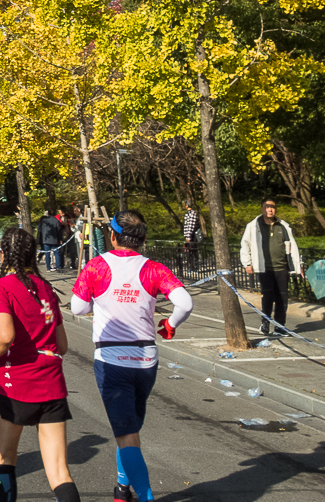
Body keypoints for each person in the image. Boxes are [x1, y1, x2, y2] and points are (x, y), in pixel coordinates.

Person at [71, 210, 193, 502]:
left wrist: (97, 306)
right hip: (146, 360)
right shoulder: (154, 269)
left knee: (125, 433)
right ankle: (122, 488)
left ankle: (146, 496)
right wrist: (170, 325)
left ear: (112, 236)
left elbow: (77, 308)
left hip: (112, 360)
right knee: (129, 427)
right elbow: (184, 302)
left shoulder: (96, 267)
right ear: (143, 239)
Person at [0, 228, 79, 502]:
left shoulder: (0, 287)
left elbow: (6, 336)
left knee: (6, 458)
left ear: (3, 254)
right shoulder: (46, 288)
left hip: (15, 384)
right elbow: (63, 345)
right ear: (33, 254)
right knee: (59, 472)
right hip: (52, 384)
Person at [239, 199, 304, 335]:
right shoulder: (254, 226)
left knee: (282, 298)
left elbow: (293, 247)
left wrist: (299, 265)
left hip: (282, 268)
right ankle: (265, 322)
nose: (270, 209)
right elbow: (245, 244)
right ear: (262, 209)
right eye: (267, 207)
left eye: (272, 207)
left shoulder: (283, 226)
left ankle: (280, 326)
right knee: (268, 296)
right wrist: (247, 263)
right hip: (265, 268)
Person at [181, 202, 205, 273]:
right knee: (190, 251)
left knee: (192, 251)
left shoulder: (192, 213)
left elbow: (191, 225)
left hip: (192, 236)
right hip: (189, 235)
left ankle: (194, 268)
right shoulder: (188, 213)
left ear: (187, 205)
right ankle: (191, 267)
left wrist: (188, 236)